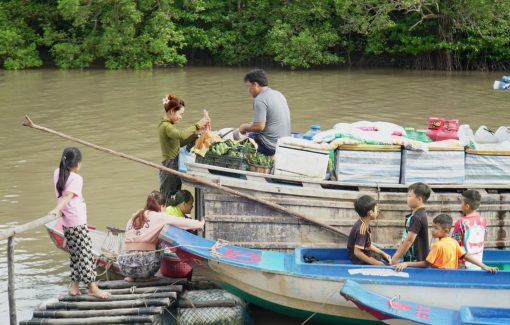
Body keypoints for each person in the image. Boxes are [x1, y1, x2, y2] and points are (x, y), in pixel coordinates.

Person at [49, 147, 111, 299]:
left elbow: (64, 195)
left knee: (75, 255)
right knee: (86, 255)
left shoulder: (58, 172)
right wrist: (57, 208)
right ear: (77, 164)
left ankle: (75, 286)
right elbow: (68, 196)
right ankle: (92, 287)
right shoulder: (76, 179)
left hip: (67, 222)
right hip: (77, 221)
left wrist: (58, 210)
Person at [118, 191, 204, 282]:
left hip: (124, 267)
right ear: (162, 206)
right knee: (162, 239)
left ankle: (131, 277)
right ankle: (149, 277)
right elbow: (181, 222)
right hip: (145, 268)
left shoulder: (134, 216)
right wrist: (200, 224)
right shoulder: (159, 216)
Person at [394, 214, 498, 273]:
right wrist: (485, 266)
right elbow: (466, 257)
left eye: (436, 228)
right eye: (432, 227)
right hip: (452, 276)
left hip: (438, 276)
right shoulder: (454, 242)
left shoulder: (437, 245)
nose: (432, 230)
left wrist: (406, 263)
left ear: (446, 231)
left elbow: (426, 264)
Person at [158, 94, 210, 203]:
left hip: (173, 164)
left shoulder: (168, 126)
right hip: (169, 167)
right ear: (172, 111)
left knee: (175, 196)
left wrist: (197, 133)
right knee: (169, 200)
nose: (181, 117)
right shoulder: (165, 126)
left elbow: (180, 142)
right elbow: (181, 135)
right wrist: (196, 125)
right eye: (180, 114)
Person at [237, 69, 291, 156]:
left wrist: (244, 127)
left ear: (255, 84)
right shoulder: (278, 94)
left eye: (248, 86)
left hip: (270, 146)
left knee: (238, 148)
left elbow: (259, 126)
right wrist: (251, 125)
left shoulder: (260, 99)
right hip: (283, 143)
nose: (248, 90)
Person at [391, 182, 431, 265]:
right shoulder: (415, 215)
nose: (407, 199)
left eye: (409, 196)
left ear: (419, 199)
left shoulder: (417, 217)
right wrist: (397, 254)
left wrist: (396, 257)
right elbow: (405, 239)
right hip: (411, 260)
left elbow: (409, 240)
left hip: (415, 262)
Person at [347, 195, 392, 265]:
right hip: (360, 260)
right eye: (376, 209)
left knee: (388, 260)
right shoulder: (362, 229)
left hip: (368, 254)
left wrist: (382, 253)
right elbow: (357, 252)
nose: (377, 212)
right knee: (388, 266)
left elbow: (367, 245)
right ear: (370, 212)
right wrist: (375, 263)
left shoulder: (364, 224)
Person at [452, 190, 487, 270]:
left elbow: (454, 242)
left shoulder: (461, 222)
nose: (461, 205)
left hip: (463, 266)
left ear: (467, 206)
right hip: (478, 263)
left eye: (461, 202)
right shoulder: (482, 220)